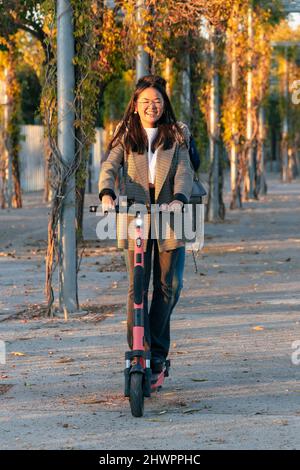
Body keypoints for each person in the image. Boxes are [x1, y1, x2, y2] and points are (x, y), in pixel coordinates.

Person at [98, 75, 194, 375]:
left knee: (170, 286)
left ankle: (157, 352)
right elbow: (110, 165)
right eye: (145, 102)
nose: (152, 106)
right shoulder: (127, 133)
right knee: (137, 286)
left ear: (164, 104)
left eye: (157, 101)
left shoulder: (176, 133)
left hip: (169, 213)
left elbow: (184, 170)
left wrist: (179, 198)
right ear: (135, 106)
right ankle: (140, 350)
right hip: (135, 213)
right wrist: (106, 193)